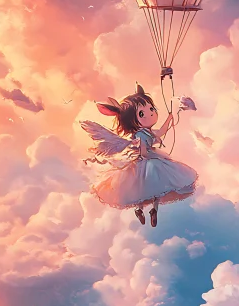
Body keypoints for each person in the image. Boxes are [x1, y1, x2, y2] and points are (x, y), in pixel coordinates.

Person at [80, 84, 197, 227]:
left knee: (156, 186)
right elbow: (143, 152)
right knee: (142, 187)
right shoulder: (140, 134)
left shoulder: (148, 132)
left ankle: (153, 209)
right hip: (144, 160)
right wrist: (157, 157)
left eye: (151, 109)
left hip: (151, 157)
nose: (150, 114)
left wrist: (169, 118)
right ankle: (140, 209)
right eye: (142, 114)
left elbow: (160, 132)